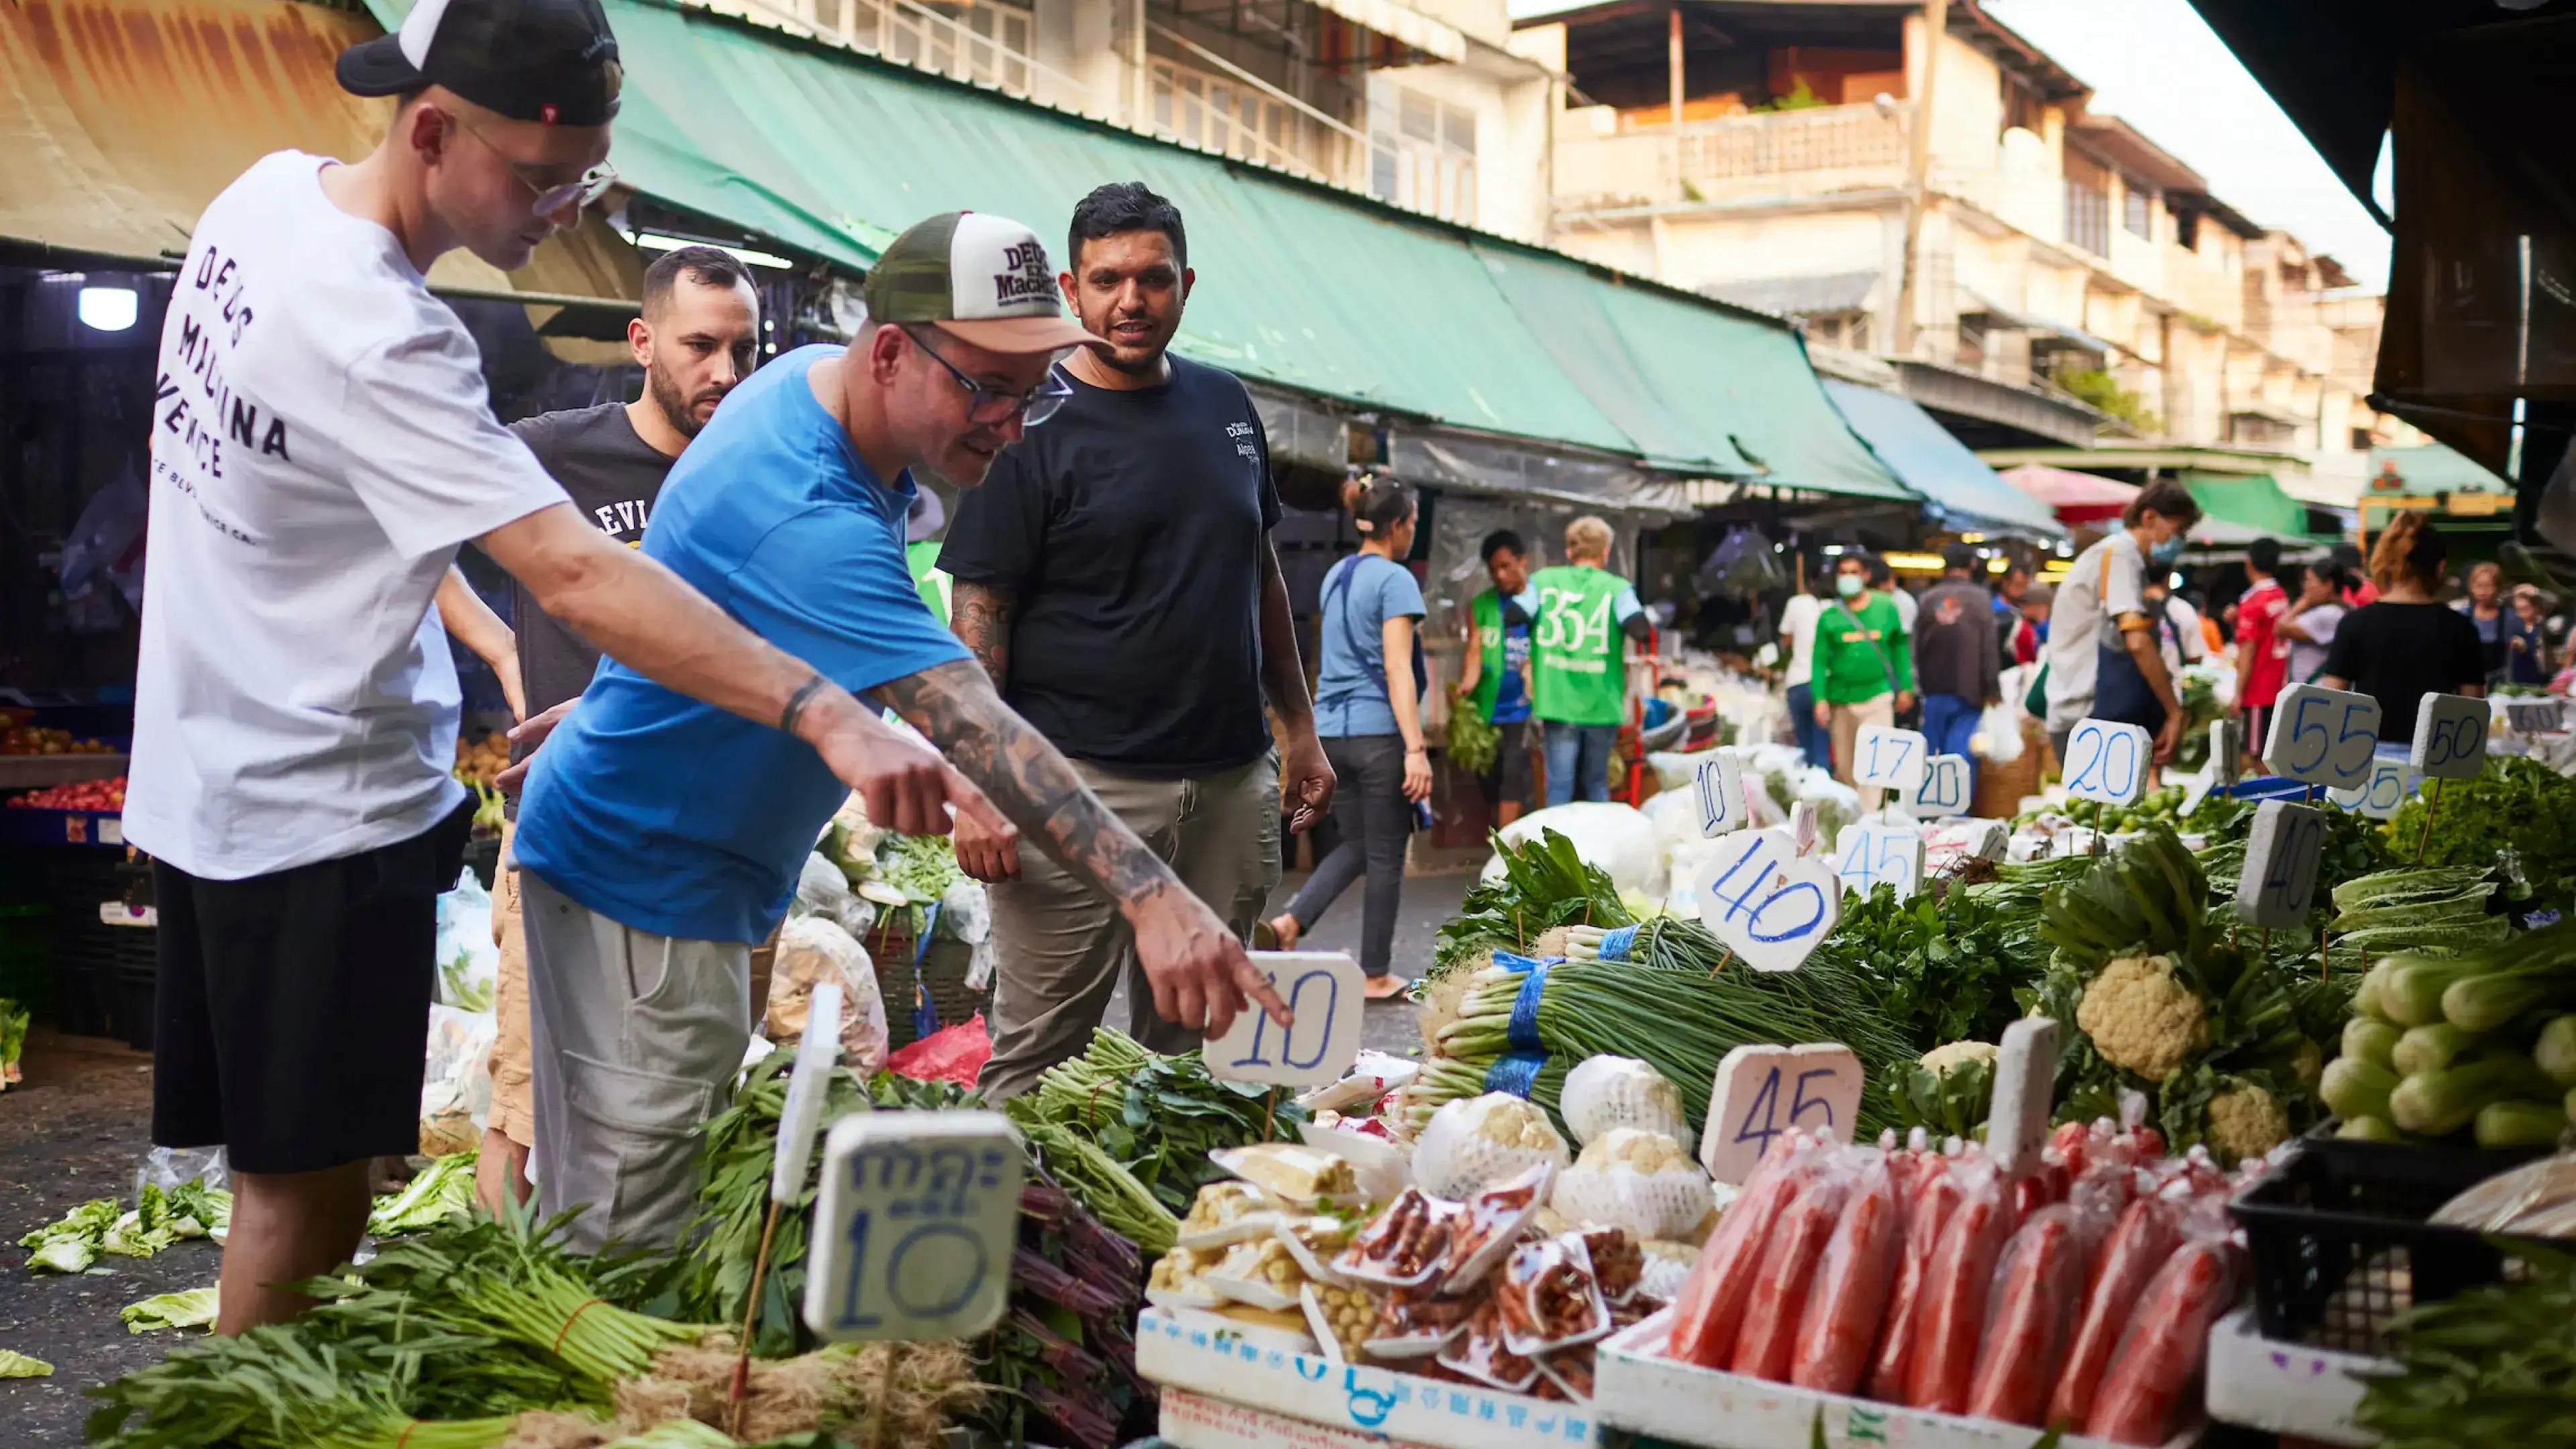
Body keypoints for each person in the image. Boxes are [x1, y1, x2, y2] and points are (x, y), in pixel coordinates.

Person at [130, 0, 998, 1332]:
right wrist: (830, 714)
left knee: (287, 1189)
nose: (563, 209)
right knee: (309, 1207)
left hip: (206, 780)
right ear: (431, 130)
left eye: (585, 175)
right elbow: (578, 572)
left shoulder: (258, 206)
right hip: (314, 810)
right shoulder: (386, 333)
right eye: (540, 179)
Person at [509, 211, 1292, 1250]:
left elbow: (701, 581)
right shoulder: (814, 507)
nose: (1013, 427)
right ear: (890, 352)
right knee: (629, 1230)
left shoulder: (799, 393)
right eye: (989, 390)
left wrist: (631, 692)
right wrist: (1155, 901)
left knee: (649, 1196)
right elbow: (973, 717)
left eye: (1031, 392)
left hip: (687, 865)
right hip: (646, 886)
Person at [936, 183, 1331, 1103]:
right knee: (1039, 1062)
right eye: (1108, 279)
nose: (1132, 301)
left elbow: (1259, 574)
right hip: (1073, 788)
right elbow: (979, 613)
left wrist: (1299, 726)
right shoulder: (1028, 421)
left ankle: (1175, 1243)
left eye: (1153, 278)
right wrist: (981, 787)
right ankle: (1019, 1244)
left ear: (1184, 285)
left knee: (1204, 1060)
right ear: (1072, 291)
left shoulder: (1226, 406)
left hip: (1230, 790)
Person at [467, 244, 761, 1215]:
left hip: (712, 834)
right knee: (526, 1096)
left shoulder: (758, 467)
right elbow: (402, 516)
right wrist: (505, 649)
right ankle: (502, 1303)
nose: (724, 372)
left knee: (686, 1093)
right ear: (642, 342)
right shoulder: (555, 450)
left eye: (743, 349)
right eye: (700, 346)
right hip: (567, 826)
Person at [1263, 479, 1426, 1000]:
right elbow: (1398, 670)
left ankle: (1290, 925)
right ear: (1397, 526)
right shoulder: (1396, 579)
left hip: (1332, 732)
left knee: (1357, 844)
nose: (1413, 533)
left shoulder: (1336, 575)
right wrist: (1417, 749)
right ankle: (1376, 974)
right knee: (1385, 855)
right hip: (1379, 734)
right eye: (1414, 523)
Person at [2042, 481, 2202, 766]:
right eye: (2176, 530)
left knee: (2098, 811)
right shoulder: (2121, 554)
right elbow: (2137, 641)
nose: (2176, 540)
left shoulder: (2120, 555)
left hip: (2085, 710)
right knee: (2097, 811)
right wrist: (2174, 711)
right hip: (2087, 713)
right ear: (2149, 517)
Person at [2320, 514, 2485, 743]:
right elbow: (2471, 712)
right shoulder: (2460, 627)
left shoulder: (2355, 623)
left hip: (2366, 760)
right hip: (2435, 761)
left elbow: (2331, 702)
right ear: (2440, 567)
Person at [1527, 516, 1652, 805]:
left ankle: (1553, 849)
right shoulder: (1617, 588)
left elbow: (1516, 614)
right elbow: (1640, 628)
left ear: (1570, 552)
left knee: (1559, 786)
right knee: (1597, 782)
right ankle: (1599, 849)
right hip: (1601, 702)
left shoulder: (1543, 581)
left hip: (1557, 701)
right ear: (1605, 552)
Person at [1811, 552, 1914, 809]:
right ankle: (1850, 820)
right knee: (1845, 768)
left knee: (1875, 767)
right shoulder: (1829, 616)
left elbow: (1900, 649)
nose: (1848, 578)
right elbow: (1819, 661)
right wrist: (1820, 699)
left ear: (1866, 576)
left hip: (1878, 696)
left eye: (1854, 572)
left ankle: (1869, 819)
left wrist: (1906, 687)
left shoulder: (1886, 607)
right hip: (1841, 699)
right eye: (1843, 573)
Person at [1454, 529, 1538, 826]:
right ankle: (1512, 841)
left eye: (1506, 566)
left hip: (1524, 708)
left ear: (1522, 561)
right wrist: (1467, 684)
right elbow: (1475, 650)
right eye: (1494, 570)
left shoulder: (1539, 601)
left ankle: (1502, 850)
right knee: (1490, 780)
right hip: (1489, 708)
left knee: (1513, 778)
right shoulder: (1482, 605)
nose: (1500, 575)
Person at [1912, 542, 2000, 791]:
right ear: (1972, 565)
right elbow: (1989, 650)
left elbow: (1914, 647)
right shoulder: (1981, 599)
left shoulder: (1927, 599)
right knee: (1960, 758)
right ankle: (1956, 818)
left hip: (1933, 692)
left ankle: (1926, 815)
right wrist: (1993, 690)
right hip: (1968, 691)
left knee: (1931, 758)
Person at [2235, 537, 2292, 765]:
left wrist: (2238, 693)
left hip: (2258, 689)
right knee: (2270, 752)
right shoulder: (2281, 596)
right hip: (2279, 684)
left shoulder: (2252, 601)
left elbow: (2248, 650)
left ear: (2249, 563)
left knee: (2254, 757)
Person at [1778, 576, 1829, 768]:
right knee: (1823, 745)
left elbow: (1786, 639)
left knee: (1804, 747)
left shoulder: (1797, 603)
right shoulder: (1838, 610)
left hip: (1798, 682)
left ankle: (1805, 790)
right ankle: (1825, 790)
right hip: (1824, 686)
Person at [2278, 563, 2347, 688]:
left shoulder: (2330, 613)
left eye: (2309, 581)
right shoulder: (2332, 611)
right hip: (2309, 689)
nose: (2305, 586)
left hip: (2314, 689)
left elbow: (2280, 629)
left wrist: (2301, 604)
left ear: (2328, 585)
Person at [2140, 574, 2206, 679]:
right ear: (2169, 577)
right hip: (2173, 687)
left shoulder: (2124, 611)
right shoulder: (2184, 610)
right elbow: (2195, 659)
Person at [2457, 560, 2510, 683]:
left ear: (2499, 588)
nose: (2483, 592)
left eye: (2488, 586)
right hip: (2468, 681)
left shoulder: (2509, 618)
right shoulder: (2462, 616)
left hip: (2499, 683)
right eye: (2478, 586)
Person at [2508, 585, 2555, 686]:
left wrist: (2536, 591)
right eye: (2518, 609)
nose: (2521, 613)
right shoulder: (2513, 627)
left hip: (2541, 676)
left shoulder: (2542, 626)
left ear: (2535, 608)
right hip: (2520, 675)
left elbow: (2553, 601)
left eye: (2526, 608)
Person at [2011, 583, 2051, 666]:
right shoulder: (2022, 627)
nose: (2023, 608)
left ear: (2041, 606)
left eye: (2027, 605)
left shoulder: (2052, 629)